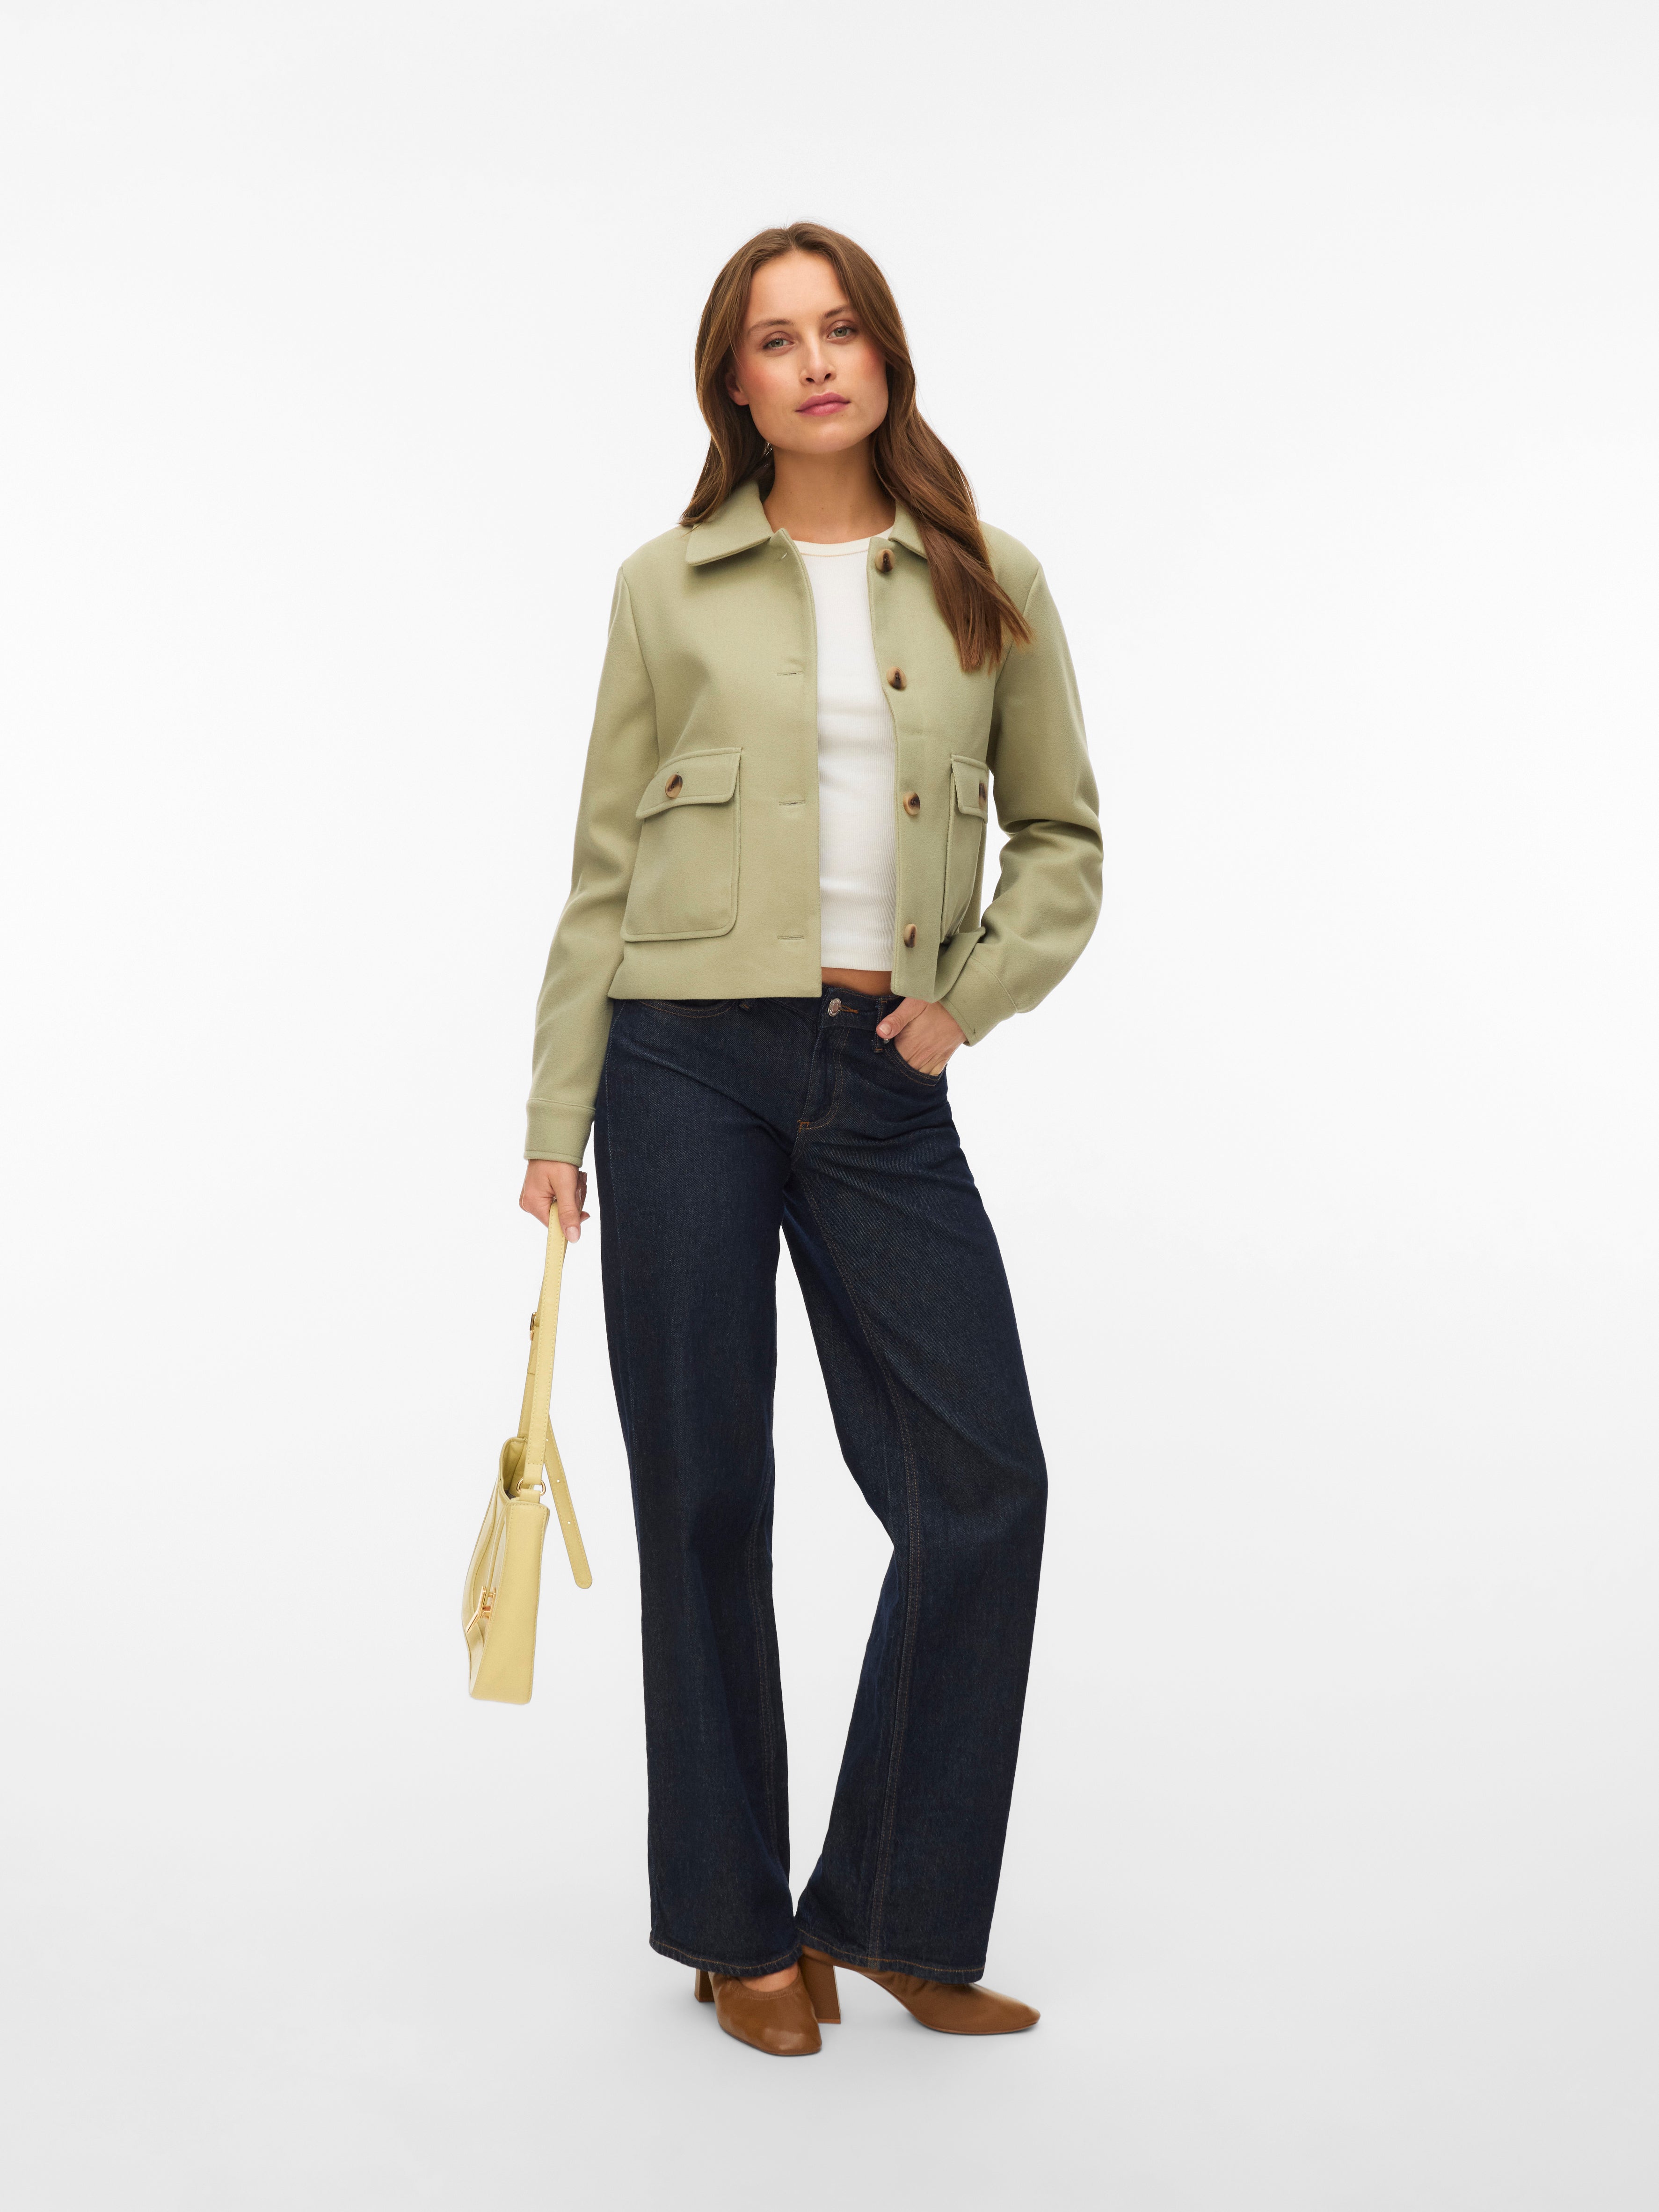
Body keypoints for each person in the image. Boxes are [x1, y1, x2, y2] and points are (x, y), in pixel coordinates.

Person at [519, 222, 1101, 2056]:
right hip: (678, 1063)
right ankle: (733, 1928)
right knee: (705, 1495)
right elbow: (600, 864)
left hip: (881, 1073)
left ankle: (897, 1916)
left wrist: (965, 1003)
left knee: (981, 1486)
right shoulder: (665, 586)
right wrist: (555, 1117)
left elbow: (1063, 840)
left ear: (884, 354)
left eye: (840, 327)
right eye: (776, 340)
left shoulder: (985, 576)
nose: (816, 361)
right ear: (735, 384)